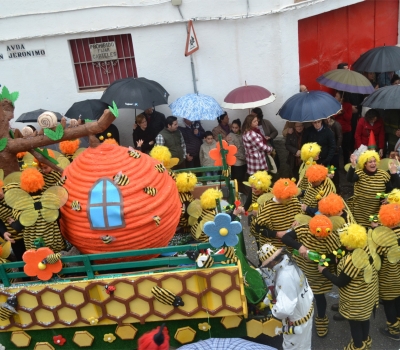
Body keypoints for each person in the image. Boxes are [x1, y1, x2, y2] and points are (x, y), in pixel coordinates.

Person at [318, 224, 379, 350]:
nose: (344, 245)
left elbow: (341, 281)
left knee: (355, 323)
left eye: (346, 243)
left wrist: (324, 270)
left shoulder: (354, 260)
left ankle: (358, 346)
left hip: (357, 299)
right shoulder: (365, 247)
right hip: (368, 293)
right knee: (364, 319)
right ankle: (365, 340)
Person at [281, 215, 341, 338]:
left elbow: (336, 257)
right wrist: (299, 246)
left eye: (324, 235)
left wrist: (320, 259)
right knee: (299, 294)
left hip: (318, 275)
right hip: (301, 270)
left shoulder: (332, 238)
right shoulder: (303, 230)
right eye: (318, 233)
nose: (320, 237)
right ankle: (298, 316)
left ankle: (321, 318)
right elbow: (286, 238)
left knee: (319, 297)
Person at [259, 244, 313, 350]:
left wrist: (273, 309)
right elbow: (278, 291)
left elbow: (284, 310)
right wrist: (266, 301)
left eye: (267, 265)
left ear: (272, 262)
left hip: (296, 321)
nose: (267, 268)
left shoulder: (284, 277)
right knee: (305, 345)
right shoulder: (290, 263)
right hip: (305, 309)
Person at [347, 149, 400, 227]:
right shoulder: (360, 173)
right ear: (365, 164)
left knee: (373, 229)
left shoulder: (383, 175)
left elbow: (394, 189)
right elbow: (349, 179)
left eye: (374, 161)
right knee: (361, 231)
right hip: (359, 211)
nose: (373, 163)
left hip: (375, 211)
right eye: (370, 162)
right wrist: (353, 165)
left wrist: (394, 174)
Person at [373, 204, 400, 340]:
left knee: (389, 303)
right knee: (398, 300)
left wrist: (375, 231)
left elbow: (376, 256)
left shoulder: (383, 239)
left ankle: (394, 330)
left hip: (388, 277)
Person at [252, 178, 301, 248]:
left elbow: (301, 213)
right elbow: (258, 228)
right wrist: (276, 234)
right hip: (275, 247)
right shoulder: (267, 208)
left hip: (291, 244)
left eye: (291, 196)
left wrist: (298, 220)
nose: (291, 199)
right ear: (280, 196)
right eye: (288, 197)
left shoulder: (294, 200)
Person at [227, 119, 247, 194]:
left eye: (236, 127)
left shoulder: (242, 135)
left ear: (239, 127)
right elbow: (233, 150)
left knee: (242, 177)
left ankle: (241, 190)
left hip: (244, 160)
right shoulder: (230, 136)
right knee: (237, 178)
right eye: (233, 127)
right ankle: (237, 192)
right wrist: (243, 157)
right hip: (236, 161)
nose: (234, 129)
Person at [333, 91, 353, 162]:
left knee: (345, 149)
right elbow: (332, 117)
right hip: (336, 130)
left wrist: (343, 111)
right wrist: (338, 113)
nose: (335, 97)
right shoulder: (334, 105)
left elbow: (349, 118)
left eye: (337, 96)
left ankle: (345, 163)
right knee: (336, 148)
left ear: (342, 98)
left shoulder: (348, 105)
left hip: (346, 130)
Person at [325, 116, 342, 190]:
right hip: (327, 151)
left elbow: (339, 137)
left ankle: (336, 186)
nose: (327, 119)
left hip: (334, 151)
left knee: (334, 169)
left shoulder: (336, 124)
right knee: (327, 169)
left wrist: (336, 148)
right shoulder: (323, 125)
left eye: (328, 118)